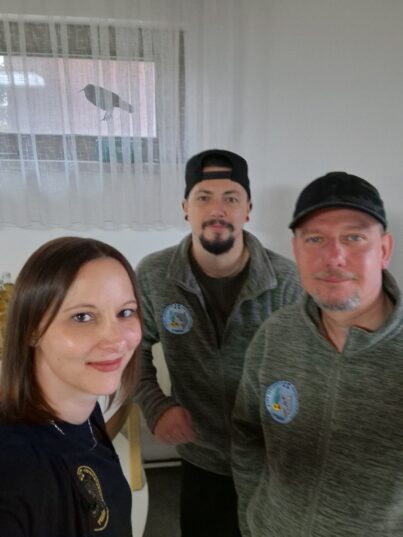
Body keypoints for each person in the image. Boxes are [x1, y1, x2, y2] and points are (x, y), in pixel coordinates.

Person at [135, 148, 301, 536]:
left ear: (248, 210)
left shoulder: (288, 282)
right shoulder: (154, 275)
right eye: (204, 197)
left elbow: (312, 367)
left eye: (231, 198)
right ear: (185, 208)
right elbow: (132, 348)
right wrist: (156, 405)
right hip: (201, 459)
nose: (217, 210)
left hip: (273, 462)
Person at [232, 171, 403, 536]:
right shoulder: (273, 336)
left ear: (384, 250)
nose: (334, 257)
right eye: (315, 239)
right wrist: (252, 520)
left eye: (354, 237)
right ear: (296, 250)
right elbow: (247, 437)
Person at [0, 236, 142, 537]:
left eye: (125, 312)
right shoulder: (13, 466)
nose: (116, 339)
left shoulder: (84, 413)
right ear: (32, 329)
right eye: (82, 317)